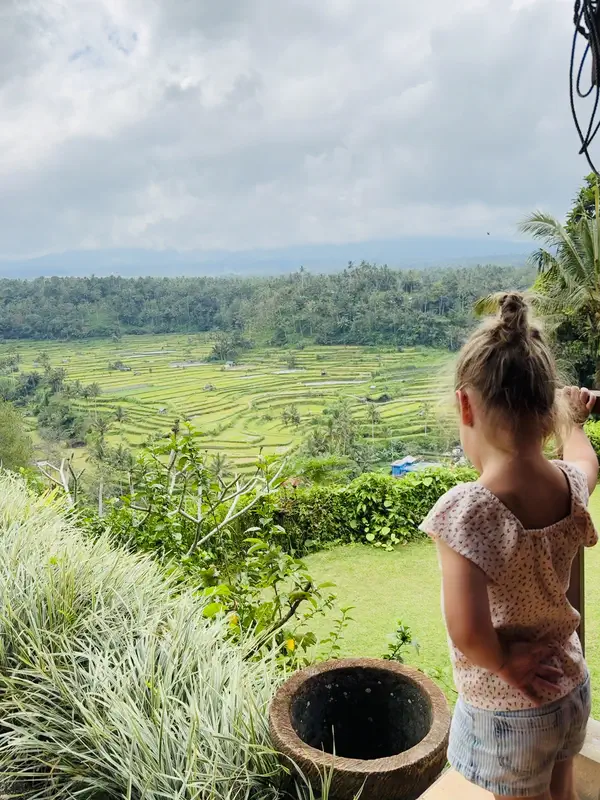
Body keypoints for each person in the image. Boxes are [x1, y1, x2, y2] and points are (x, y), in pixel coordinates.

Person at [419, 292, 599, 800]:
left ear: (464, 404)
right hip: (568, 686)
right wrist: (576, 421)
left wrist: (504, 664)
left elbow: (469, 630)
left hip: (511, 705)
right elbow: (588, 462)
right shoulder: (568, 484)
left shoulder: (468, 511)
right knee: (559, 791)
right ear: (548, 411)